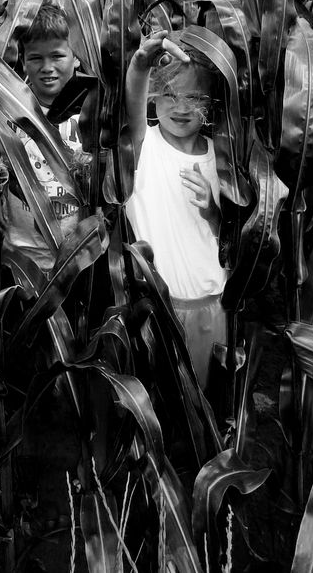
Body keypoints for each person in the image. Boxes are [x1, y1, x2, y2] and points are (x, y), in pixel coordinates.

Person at [124, 29, 227, 389]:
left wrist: (212, 211)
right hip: (158, 310)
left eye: (194, 98)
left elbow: (231, 238)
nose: (181, 107)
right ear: (153, 99)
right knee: (161, 406)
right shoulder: (144, 147)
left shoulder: (221, 158)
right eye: (169, 95)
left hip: (211, 309)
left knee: (203, 406)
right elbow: (132, 97)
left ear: (211, 104)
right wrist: (140, 62)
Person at [2, 4, 84, 272]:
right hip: (20, 258)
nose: (47, 67)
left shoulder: (91, 113)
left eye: (57, 56)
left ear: (77, 57)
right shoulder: (8, 110)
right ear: (23, 60)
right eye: (36, 58)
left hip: (79, 258)